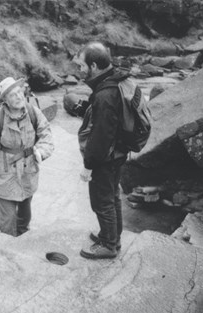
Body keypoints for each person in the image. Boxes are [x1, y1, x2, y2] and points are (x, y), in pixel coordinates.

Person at [73, 42, 130, 259]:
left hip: (107, 157)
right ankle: (113, 236)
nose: (79, 71)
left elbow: (101, 136)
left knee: (101, 200)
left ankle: (109, 245)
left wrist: (88, 165)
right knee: (113, 196)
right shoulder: (114, 80)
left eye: (81, 66)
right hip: (118, 152)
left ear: (94, 65)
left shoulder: (105, 94)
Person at [0, 77, 53, 237]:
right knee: (8, 216)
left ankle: (22, 234)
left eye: (19, 92)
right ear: (5, 100)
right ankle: (7, 246)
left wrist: (41, 151)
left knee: (25, 211)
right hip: (5, 169)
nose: (18, 97)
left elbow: (46, 135)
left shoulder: (33, 112)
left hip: (28, 167)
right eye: (12, 95)